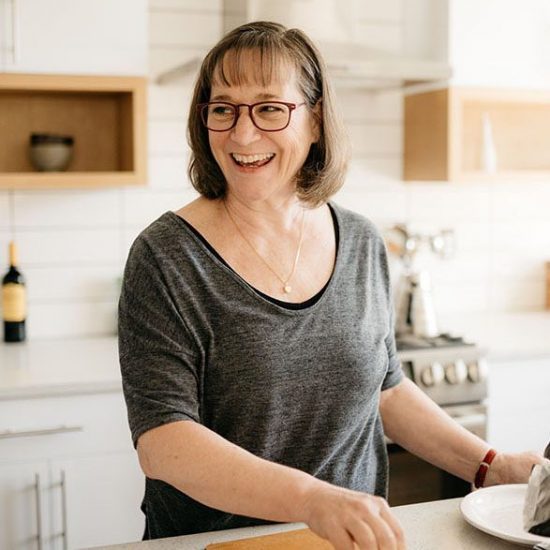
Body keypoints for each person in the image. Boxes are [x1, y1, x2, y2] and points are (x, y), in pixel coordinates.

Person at [118, 21, 541, 550]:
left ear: (315, 121)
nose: (242, 135)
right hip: (218, 543)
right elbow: (164, 442)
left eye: (270, 108)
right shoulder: (166, 256)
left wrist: (490, 465)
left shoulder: (361, 240)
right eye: (223, 109)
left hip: (351, 542)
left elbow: (385, 389)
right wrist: (313, 499)